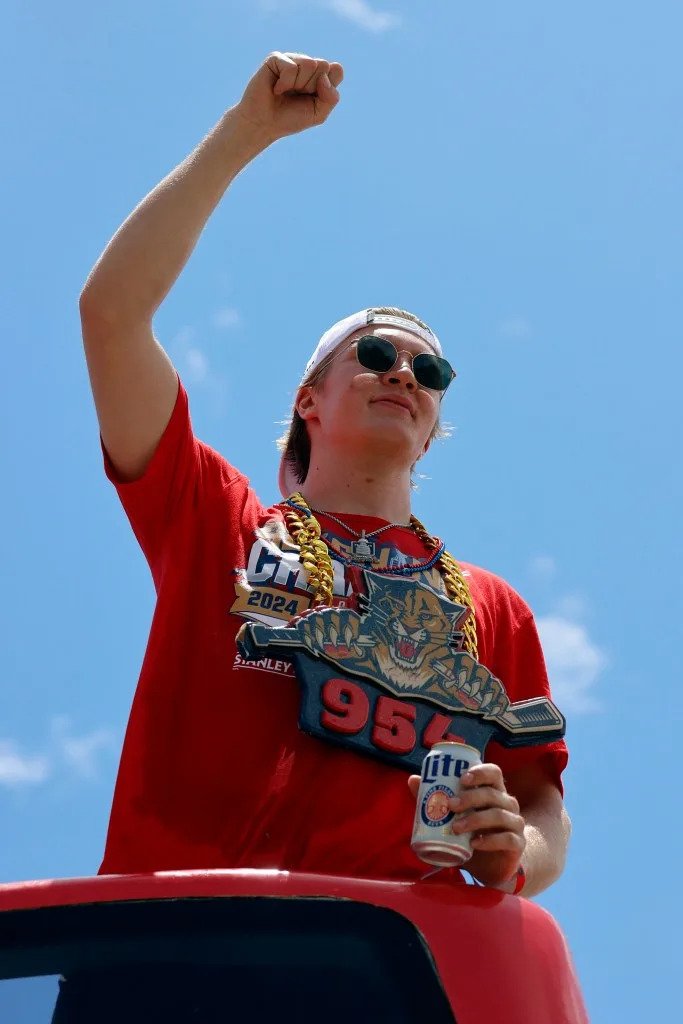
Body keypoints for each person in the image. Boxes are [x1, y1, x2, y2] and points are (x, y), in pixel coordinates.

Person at [79, 52, 570, 898]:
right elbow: (112, 314)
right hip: (176, 933)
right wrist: (246, 133)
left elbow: (541, 804)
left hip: (384, 950)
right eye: (374, 355)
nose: (403, 373)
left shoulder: (494, 607)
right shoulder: (217, 519)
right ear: (308, 401)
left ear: (430, 434)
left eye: (429, 372)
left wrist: (514, 854)